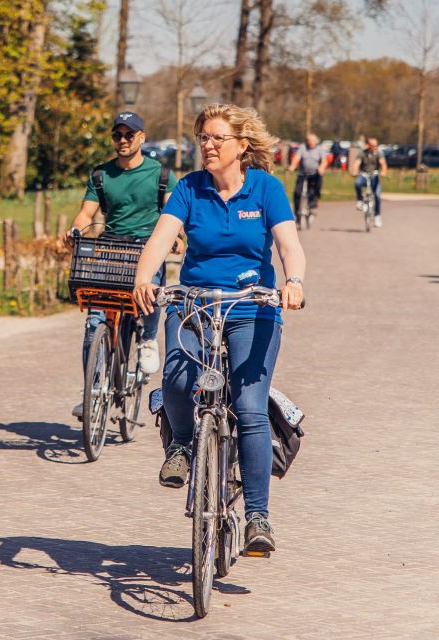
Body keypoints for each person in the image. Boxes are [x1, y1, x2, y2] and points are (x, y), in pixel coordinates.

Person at [132, 104, 306, 554]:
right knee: (176, 377)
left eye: (215, 138)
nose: (206, 145)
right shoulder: (189, 189)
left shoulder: (266, 190)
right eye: (202, 138)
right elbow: (159, 239)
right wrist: (144, 277)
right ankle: (185, 446)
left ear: (241, 146)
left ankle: (257, 517)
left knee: (249, 408)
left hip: (253, 307)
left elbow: (289, 245)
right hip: (194, 302)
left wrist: (293, 282)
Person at [63, 111, 177, 419]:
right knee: (93, 322)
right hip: (112, 247)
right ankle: (93, 389)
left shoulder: (160, 174)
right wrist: (75, 231)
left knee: (150, 290)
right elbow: (86, 214)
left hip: (147, 246)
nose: (123, 140)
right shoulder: (101, 174)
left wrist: (176, 237)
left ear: (142, 137)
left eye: (130, 135)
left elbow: (172, 213)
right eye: (118, 135)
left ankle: (149, 339)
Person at [288, 133, 329, 226]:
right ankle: (297, 214)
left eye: (311, 141)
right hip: (302, 173)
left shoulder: (319, 149)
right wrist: (292, 167)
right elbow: (296, 158)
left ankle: (314, 200)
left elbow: (324, 161)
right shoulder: (303, 147)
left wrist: (321, 168)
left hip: (314, 174)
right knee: (297, 193)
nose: (310, 143)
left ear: (315, 142)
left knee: (316, 185)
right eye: (308, 141)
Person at [352, 136, 388, 228]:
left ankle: (377, 216)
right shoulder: (362, 153)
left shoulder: (378, 153)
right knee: (357, 183)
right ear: (368, 145)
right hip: (364, 174)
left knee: (377, 195)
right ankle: (360, 200)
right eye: (373, 145)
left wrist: (383, 172)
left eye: (376, 145)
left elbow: (383, 163)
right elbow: (356, 163)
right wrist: (354, 171)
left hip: (374, 175)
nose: (375, 147)